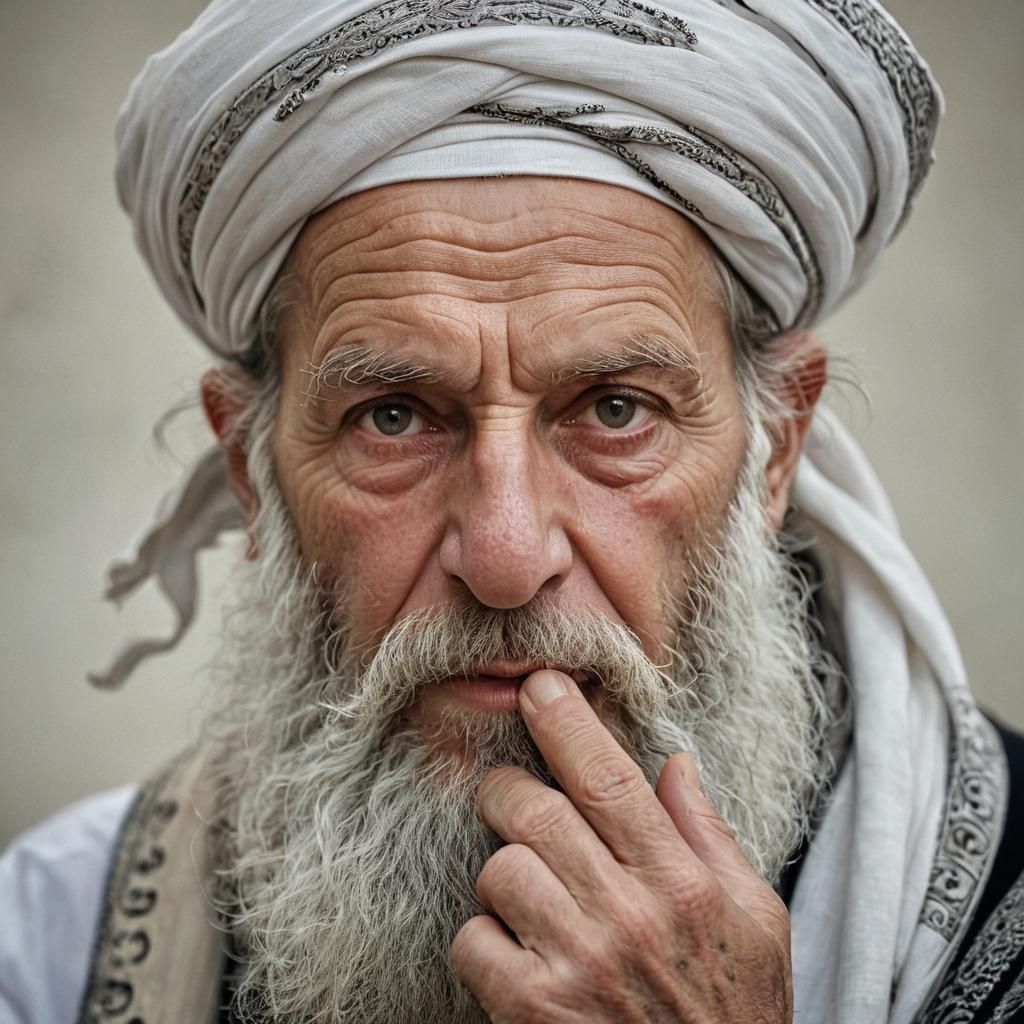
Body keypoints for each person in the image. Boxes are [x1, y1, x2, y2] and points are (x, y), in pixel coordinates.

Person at [1, 1, 1022, 1022]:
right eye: (392, 417)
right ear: (248, 471)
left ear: (773, 453)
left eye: (615, 410)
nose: (502, 555)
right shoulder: (53, 940)